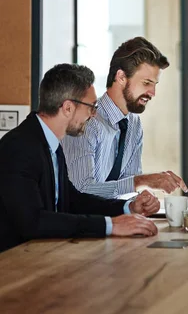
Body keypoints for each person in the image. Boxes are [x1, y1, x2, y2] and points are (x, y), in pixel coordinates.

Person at [0, 64, 159, 253]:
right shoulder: (20, 146)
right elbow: (33, 221)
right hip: (13, 267)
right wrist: (110, 225)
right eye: (92, 107)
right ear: (68, 108)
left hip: (43, 256)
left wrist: (128, 207)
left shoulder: (51, 143)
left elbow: (72, 200)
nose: (93, 115)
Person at [63, 37, 188, 198]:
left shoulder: (134, 124)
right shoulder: (85, 121)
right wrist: (141, 181)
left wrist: (139, 202)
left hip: (113, 219)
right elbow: (80, 190)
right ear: (121, 77)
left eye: (154, 85)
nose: (152, 93)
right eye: (146, 83)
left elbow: (126, 188)